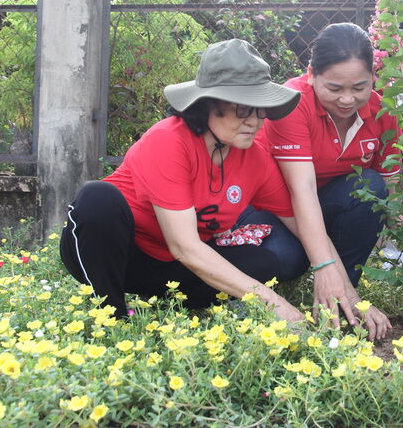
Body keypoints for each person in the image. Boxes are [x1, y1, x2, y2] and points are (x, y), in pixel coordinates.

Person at [59, 39, 305, 322]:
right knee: (97, 198)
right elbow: (185, 247)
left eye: (261, 110)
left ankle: (166, 306)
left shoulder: (255, 158)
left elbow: (299, 220)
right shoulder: (168, 140)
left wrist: (332, 272)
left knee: (264, 262)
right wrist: (274, 304)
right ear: (207, 105)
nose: (256, 122)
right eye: (244, 109)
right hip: (121, 256)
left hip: (171, 269)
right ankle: (111, 316)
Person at [238, 23, 398, 340]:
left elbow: (394, 190)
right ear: (311, 74)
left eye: (359, 87)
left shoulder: (383, 112)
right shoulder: (292, 103)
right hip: (275, 209)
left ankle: (337, 294)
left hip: (326, 206)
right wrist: (324, 266)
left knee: (371, 187)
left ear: (373, 77)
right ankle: (334, 286)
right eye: (335, 88)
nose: (348, 99)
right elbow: (302, 192)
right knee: (287, 260)